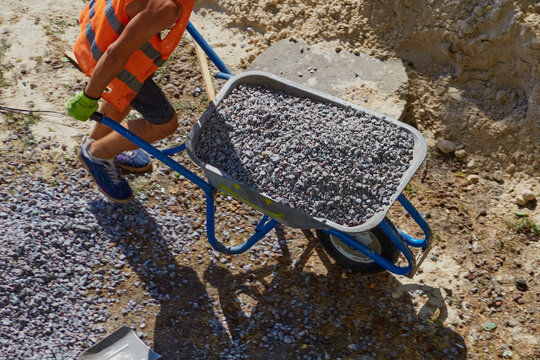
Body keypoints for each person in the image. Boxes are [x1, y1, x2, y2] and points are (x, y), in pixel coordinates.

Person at [66, 0, 195, 202]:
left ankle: (95, 142)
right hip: (111, 57)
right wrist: (89, 96)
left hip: (102, 29)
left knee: (122, 99)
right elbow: (115, 53)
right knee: (164, 125)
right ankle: (99, 153)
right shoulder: (166, 7)